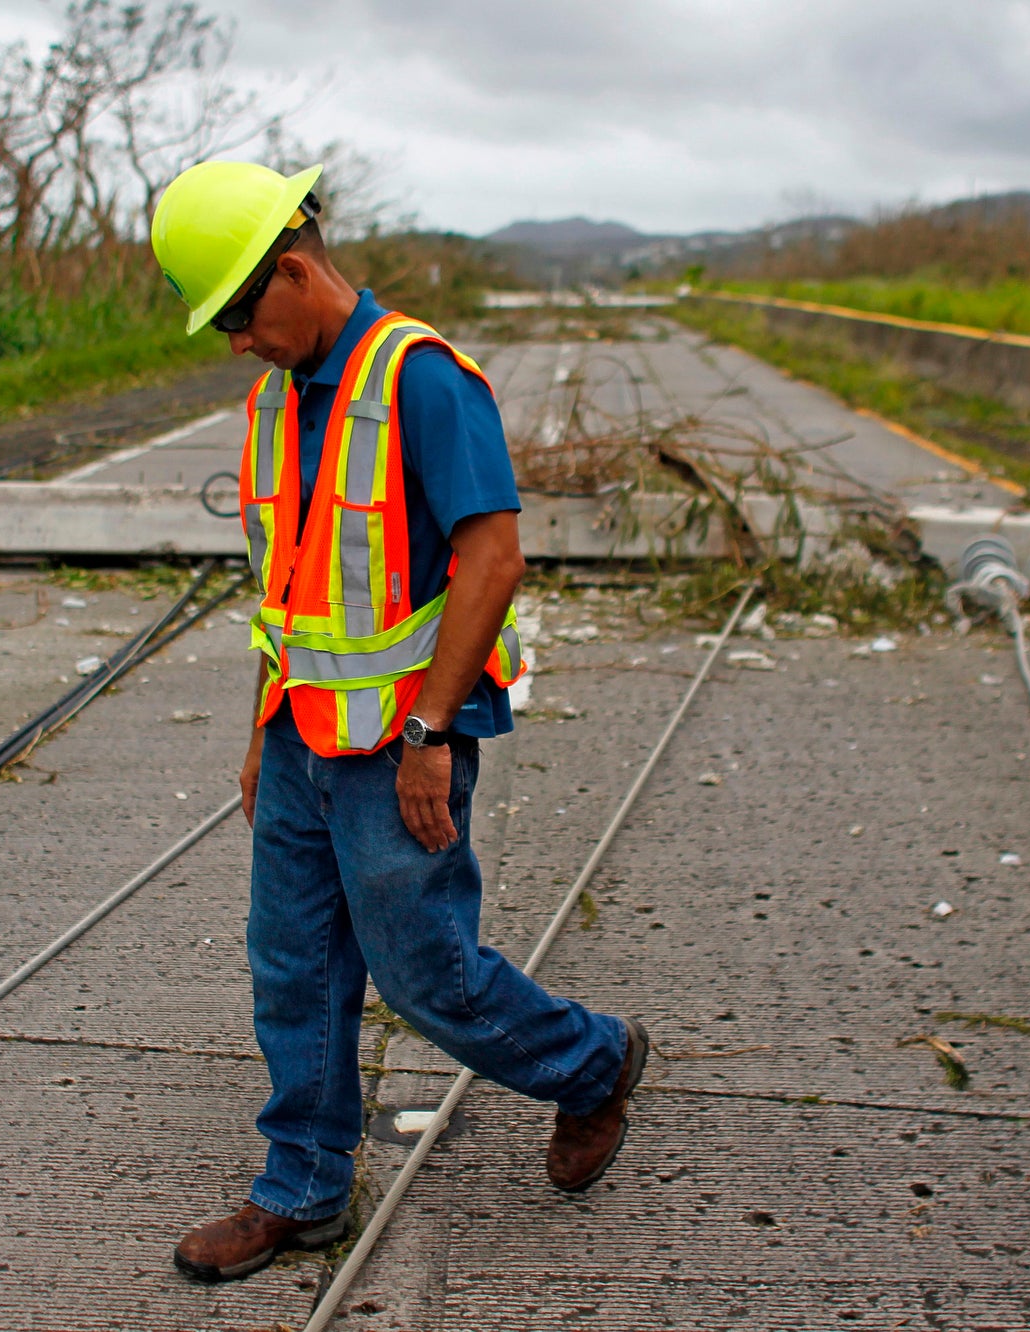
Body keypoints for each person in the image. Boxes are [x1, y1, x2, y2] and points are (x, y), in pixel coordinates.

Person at [148, 160, 648, 1284]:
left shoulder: (419, 379)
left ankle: (593, 1063)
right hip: (297, 738)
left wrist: (427, 736)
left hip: (396, 746)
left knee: (428, 981)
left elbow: (492, 556)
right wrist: (257, 729)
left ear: (292, 267)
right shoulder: (275, 402)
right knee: (291, 967)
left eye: (237, 313)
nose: (235, 342)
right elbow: (288, 589)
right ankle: (303, 1187)